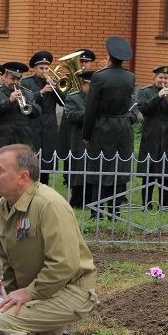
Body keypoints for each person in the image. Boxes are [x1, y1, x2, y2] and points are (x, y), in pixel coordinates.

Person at [0, 144, 125, 335]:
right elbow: (7, 261)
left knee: (3, 323)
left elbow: (64, 265)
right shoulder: (2, 208)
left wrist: (29, 294)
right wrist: (14, 296)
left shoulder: (49, 205)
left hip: (71, 291)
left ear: (23, 176)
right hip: (41, 293)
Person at [82, 36, 136, 214]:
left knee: (99, 167)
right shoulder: (130, 77)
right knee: (119, 167)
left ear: (109, 56)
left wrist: (86, 134)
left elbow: (91, 108)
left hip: (102, 125)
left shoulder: (99, 77)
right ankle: (115, 209)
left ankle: (96, 210)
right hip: (122, 126)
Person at [136, 65, 168, 210]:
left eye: (166, 78)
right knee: (149, 169)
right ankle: (147, 203)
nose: (163, 81)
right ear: (154, 78)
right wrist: (158, 97)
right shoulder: (145, 92)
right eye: (160, 78)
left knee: (167, 168)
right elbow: (143, 109)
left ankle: (165, 204)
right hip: (151, 131)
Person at [21, 51, 63, 184]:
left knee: (47, 155)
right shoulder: (27, 83)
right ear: (35, 68)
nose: (44, 71)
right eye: (41, 68)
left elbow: (63, 102)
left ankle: (44, 184)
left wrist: (56, 88)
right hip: (34, 122)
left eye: (46, 68)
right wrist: (41, 92)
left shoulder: (53, 82)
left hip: (49, 123)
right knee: (33, 153)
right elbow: (25, 101)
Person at [58, 48, 96, 185]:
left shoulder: (95, 78)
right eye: (81, 62)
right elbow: (63, 99)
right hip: (71, 116)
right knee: (69, 145)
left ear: (91, 64)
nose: (83, 65)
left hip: (87, 119)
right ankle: (68, 177)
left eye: (86, 62)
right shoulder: (68, 78)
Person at [0, 62, 41, 149]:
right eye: (12, 79)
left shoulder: (28, 93)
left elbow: (37, 112)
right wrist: (9, 101)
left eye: (18, 79)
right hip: (3, 137)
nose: (15, 82)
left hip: (23, 137)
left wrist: (26, 101)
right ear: (5, 77)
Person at [65, 70, 94, 208]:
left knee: (93, 169)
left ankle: (92, 201)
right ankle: (77, 202)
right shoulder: (73, 98)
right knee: (79, 168)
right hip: (79, 138)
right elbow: (71, 116)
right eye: (91, 85)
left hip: (96, 138)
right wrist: (91, 112)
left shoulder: (99, 98)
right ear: (84, 85)